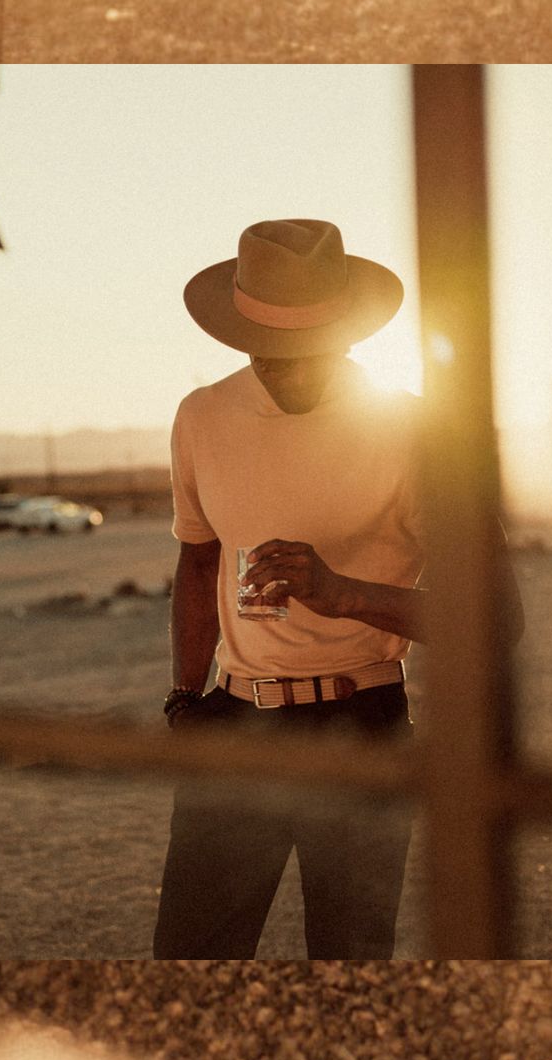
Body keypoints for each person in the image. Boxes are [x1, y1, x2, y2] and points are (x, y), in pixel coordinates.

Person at [154, 216, 522, 959]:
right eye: (268, 353)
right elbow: (198, 563)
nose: (287, 370)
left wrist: (344, 591)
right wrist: (185, 700)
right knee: (192, 958)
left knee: (351, 961)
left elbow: (495, 617)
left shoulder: (417, 431)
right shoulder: (201, 417)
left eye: (308, 351)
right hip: (234, 723)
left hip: (363, 725)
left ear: (350, 335)